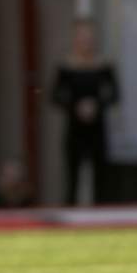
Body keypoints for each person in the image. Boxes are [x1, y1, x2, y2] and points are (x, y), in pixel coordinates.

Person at [52, 19, 120, 205]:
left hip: (98, 128)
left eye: (89, 37)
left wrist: (97, 105)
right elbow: (56, 96)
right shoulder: (66, 66)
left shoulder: (103, 65)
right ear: (75, 39)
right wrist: (76, 106)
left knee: (101, 177)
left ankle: (102, 215)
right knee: (72, 176)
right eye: (82, 37)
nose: (86, 41)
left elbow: (114, 95)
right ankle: (71, 213)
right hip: (75, 128)